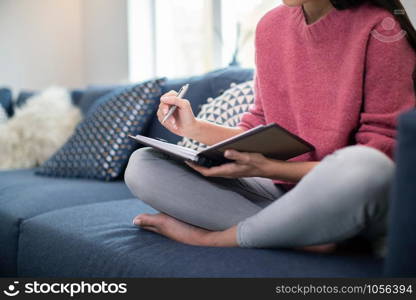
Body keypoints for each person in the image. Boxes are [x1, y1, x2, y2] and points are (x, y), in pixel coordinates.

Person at [124, 0, 416, 255]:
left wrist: (267, 168)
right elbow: (259, 127)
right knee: (144, 165)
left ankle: (215, 239)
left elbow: (385, 154)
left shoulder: (381, 27)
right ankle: (309, 234)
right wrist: (194, 128)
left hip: (345, 191)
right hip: (281, 192)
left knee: (365, 167)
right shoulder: (270, 27)